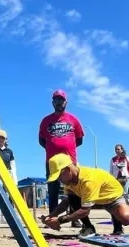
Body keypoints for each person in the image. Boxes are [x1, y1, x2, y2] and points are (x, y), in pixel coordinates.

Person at [42, 153, 129, 236]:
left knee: (125, 218)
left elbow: (85, 211)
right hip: (95, 200)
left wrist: (60, 220)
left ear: (68, 170)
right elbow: (66, 202)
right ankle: (88, 227)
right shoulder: (69, 181)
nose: (59, 180)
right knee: (71, 198)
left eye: (59, 176)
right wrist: (51, 216)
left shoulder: (88, 180)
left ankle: (117, 223)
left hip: (113, 199)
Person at [39, 90, 84, 227]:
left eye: (61, 100)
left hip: (70, 161)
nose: (59, 102)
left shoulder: (73, 119)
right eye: (56, 100)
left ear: (66, 102)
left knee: (73, 190)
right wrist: (53, 149)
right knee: (52, 190)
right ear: (53, 102)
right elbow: (41, 140)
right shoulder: (46, 121)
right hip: (52, 162)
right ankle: (52, 219)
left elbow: (79, 140)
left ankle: (74, 218)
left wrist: (66, 149)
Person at [0, 129, 17, 226]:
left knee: (6, 196)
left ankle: (5, 216)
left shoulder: (9, 151)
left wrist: (14, 178)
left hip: (8, 173)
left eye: (3, 138)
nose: (1, 139)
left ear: (6, 139)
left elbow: (13, 166)